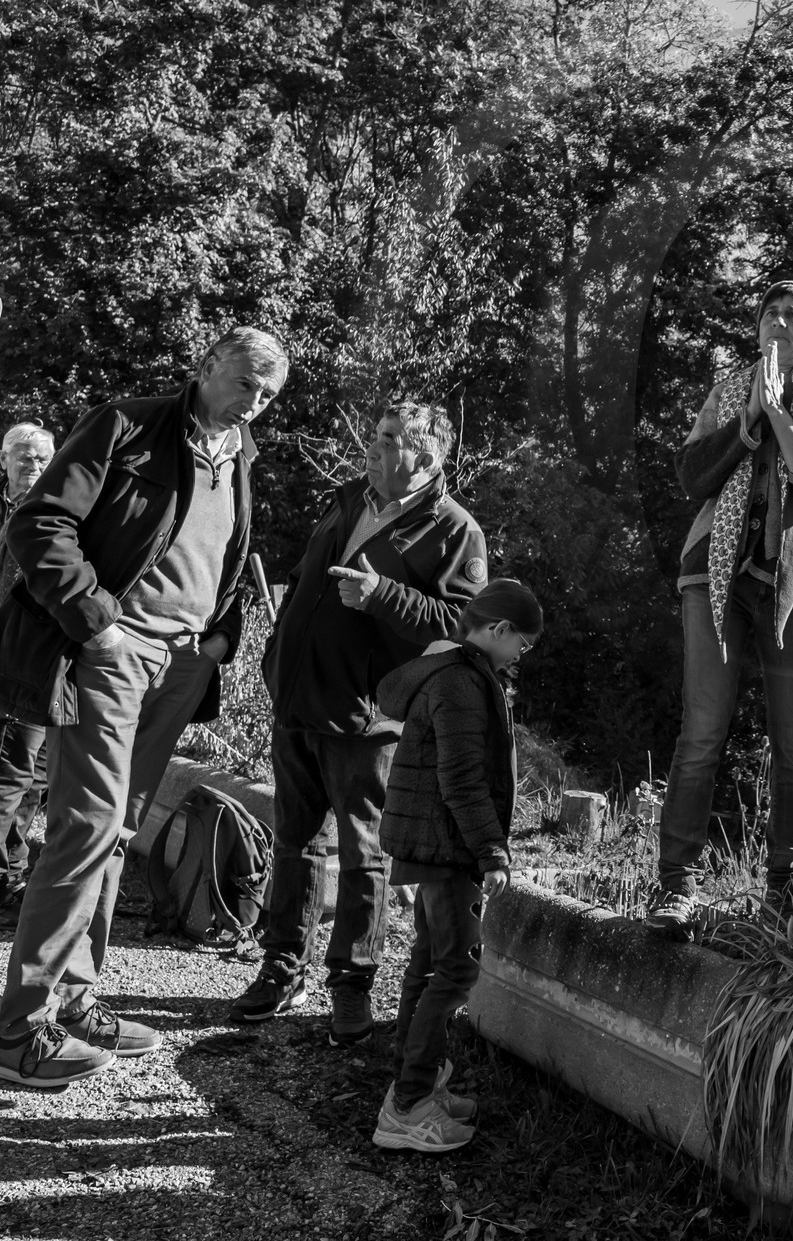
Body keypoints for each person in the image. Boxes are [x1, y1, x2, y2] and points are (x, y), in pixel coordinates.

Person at [0, 329, 285, 1089]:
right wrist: (99, 623)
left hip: (180, 667)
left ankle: (75, 999)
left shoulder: (241, 456)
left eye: (267, 393)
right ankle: (18, 1027)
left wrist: (220, 642)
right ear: (204, 368)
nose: (254, 400)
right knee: (84, 829)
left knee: (119, 832)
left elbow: (226, 558)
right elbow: (38, 524)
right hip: (108, 658)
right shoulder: (125, 426)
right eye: (246, 381)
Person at [229, 401, 488, 1045]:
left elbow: (463, 629)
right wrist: (274, 653)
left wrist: (383, 597)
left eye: (393, 439)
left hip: (366, 719)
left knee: (362, 853)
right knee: (294, 840)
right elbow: (300, 580)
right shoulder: (347, 500)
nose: (375, 446)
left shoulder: (454, 530)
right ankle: (283, 965)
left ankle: (351, 984)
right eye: (375, 434)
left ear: (428, 457)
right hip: (296, 700)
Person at [644, 281, 793, 933]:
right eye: (770, 312)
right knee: (701, 734)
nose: (779, 321)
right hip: (714, 579)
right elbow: (692, 475)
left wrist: (777, 417)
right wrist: (746, 427)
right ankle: (675, 890)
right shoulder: (728, 386)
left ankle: (784, 896)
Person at [369, 578, 542, 1153]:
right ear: (498, 630)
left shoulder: (449, 670)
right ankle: (409, 1105)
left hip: (432, 840)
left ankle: (411, 1083)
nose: (521, 654)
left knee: (428, 960)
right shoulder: (463, 683)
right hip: (446, 844)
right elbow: (463, 778)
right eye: (523, 643)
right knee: (456, 970)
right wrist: (491, 851)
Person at [0, 423, 55, 914]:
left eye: (42, 460)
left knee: (32, 782)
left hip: (41, 667)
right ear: (5, 462)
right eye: (25, 459)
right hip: (9, 663)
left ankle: (12, 875)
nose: (34, 468)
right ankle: (8, 879)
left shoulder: (57, 515)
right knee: (9, 776)